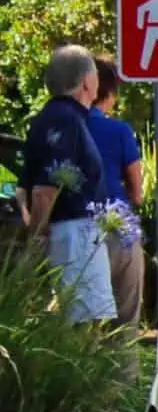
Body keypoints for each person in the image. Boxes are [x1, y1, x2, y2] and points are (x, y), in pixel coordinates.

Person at [21, 44, 117, 324]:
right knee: (88, 324)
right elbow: (43, 190)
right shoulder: (65, 119)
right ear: (87, 81)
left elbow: (25, 188)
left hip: (73, 234)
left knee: (85, 321)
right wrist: (38, 240)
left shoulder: (50, 117)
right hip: (76, 235)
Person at [87, 56, 145, 344]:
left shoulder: (63, 126)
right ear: (108, 92)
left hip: (74, 228)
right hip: (118, 229)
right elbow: (137, 192)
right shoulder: (119, 130)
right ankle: (122, 370)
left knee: (80, 324)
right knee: (124, 320)